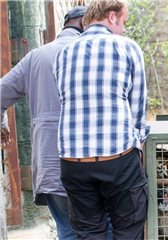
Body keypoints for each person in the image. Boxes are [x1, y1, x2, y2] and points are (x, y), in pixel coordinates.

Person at [54, 0, 149, 239]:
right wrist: (138, 144)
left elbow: (65, 99)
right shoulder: (128, 48)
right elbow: (137, 107)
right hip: (116, 157)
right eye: (124, 22)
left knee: (89, 232)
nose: (124, 29)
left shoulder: (63, 53)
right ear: (112, 17)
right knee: (128, 227)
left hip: (72, 160)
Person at [0, 6, 87, 239]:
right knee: (102, 228)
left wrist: (2, 125)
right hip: (92, 160)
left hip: (50, 162)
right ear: (85, 24)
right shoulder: (93, 52)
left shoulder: (36, 57)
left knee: (67, 230)